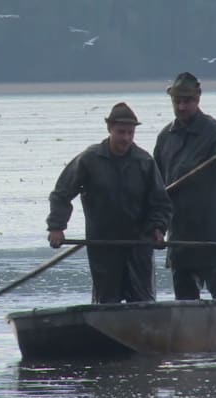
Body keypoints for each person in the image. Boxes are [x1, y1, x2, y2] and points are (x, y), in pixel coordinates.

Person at [47, 102, 173, 304]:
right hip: (102, 244)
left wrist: (158, 228)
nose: (126, 138)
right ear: (109, 129)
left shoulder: (145, 162)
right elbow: (62, 194)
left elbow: (161, 202)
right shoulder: (89, 159)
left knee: (142, 300)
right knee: (106, 301)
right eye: (121, 132)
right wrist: (56, 227)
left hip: (139, 243)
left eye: (130, 133)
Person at [153, 72, 216, 300]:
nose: (182, 107)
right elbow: (155, 188)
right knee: (185, 300)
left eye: (187, 101)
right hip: (180, 237)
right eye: (177, 102)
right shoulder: (166, 137)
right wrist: (156, 226)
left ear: (197, 100)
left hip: (213, 236)